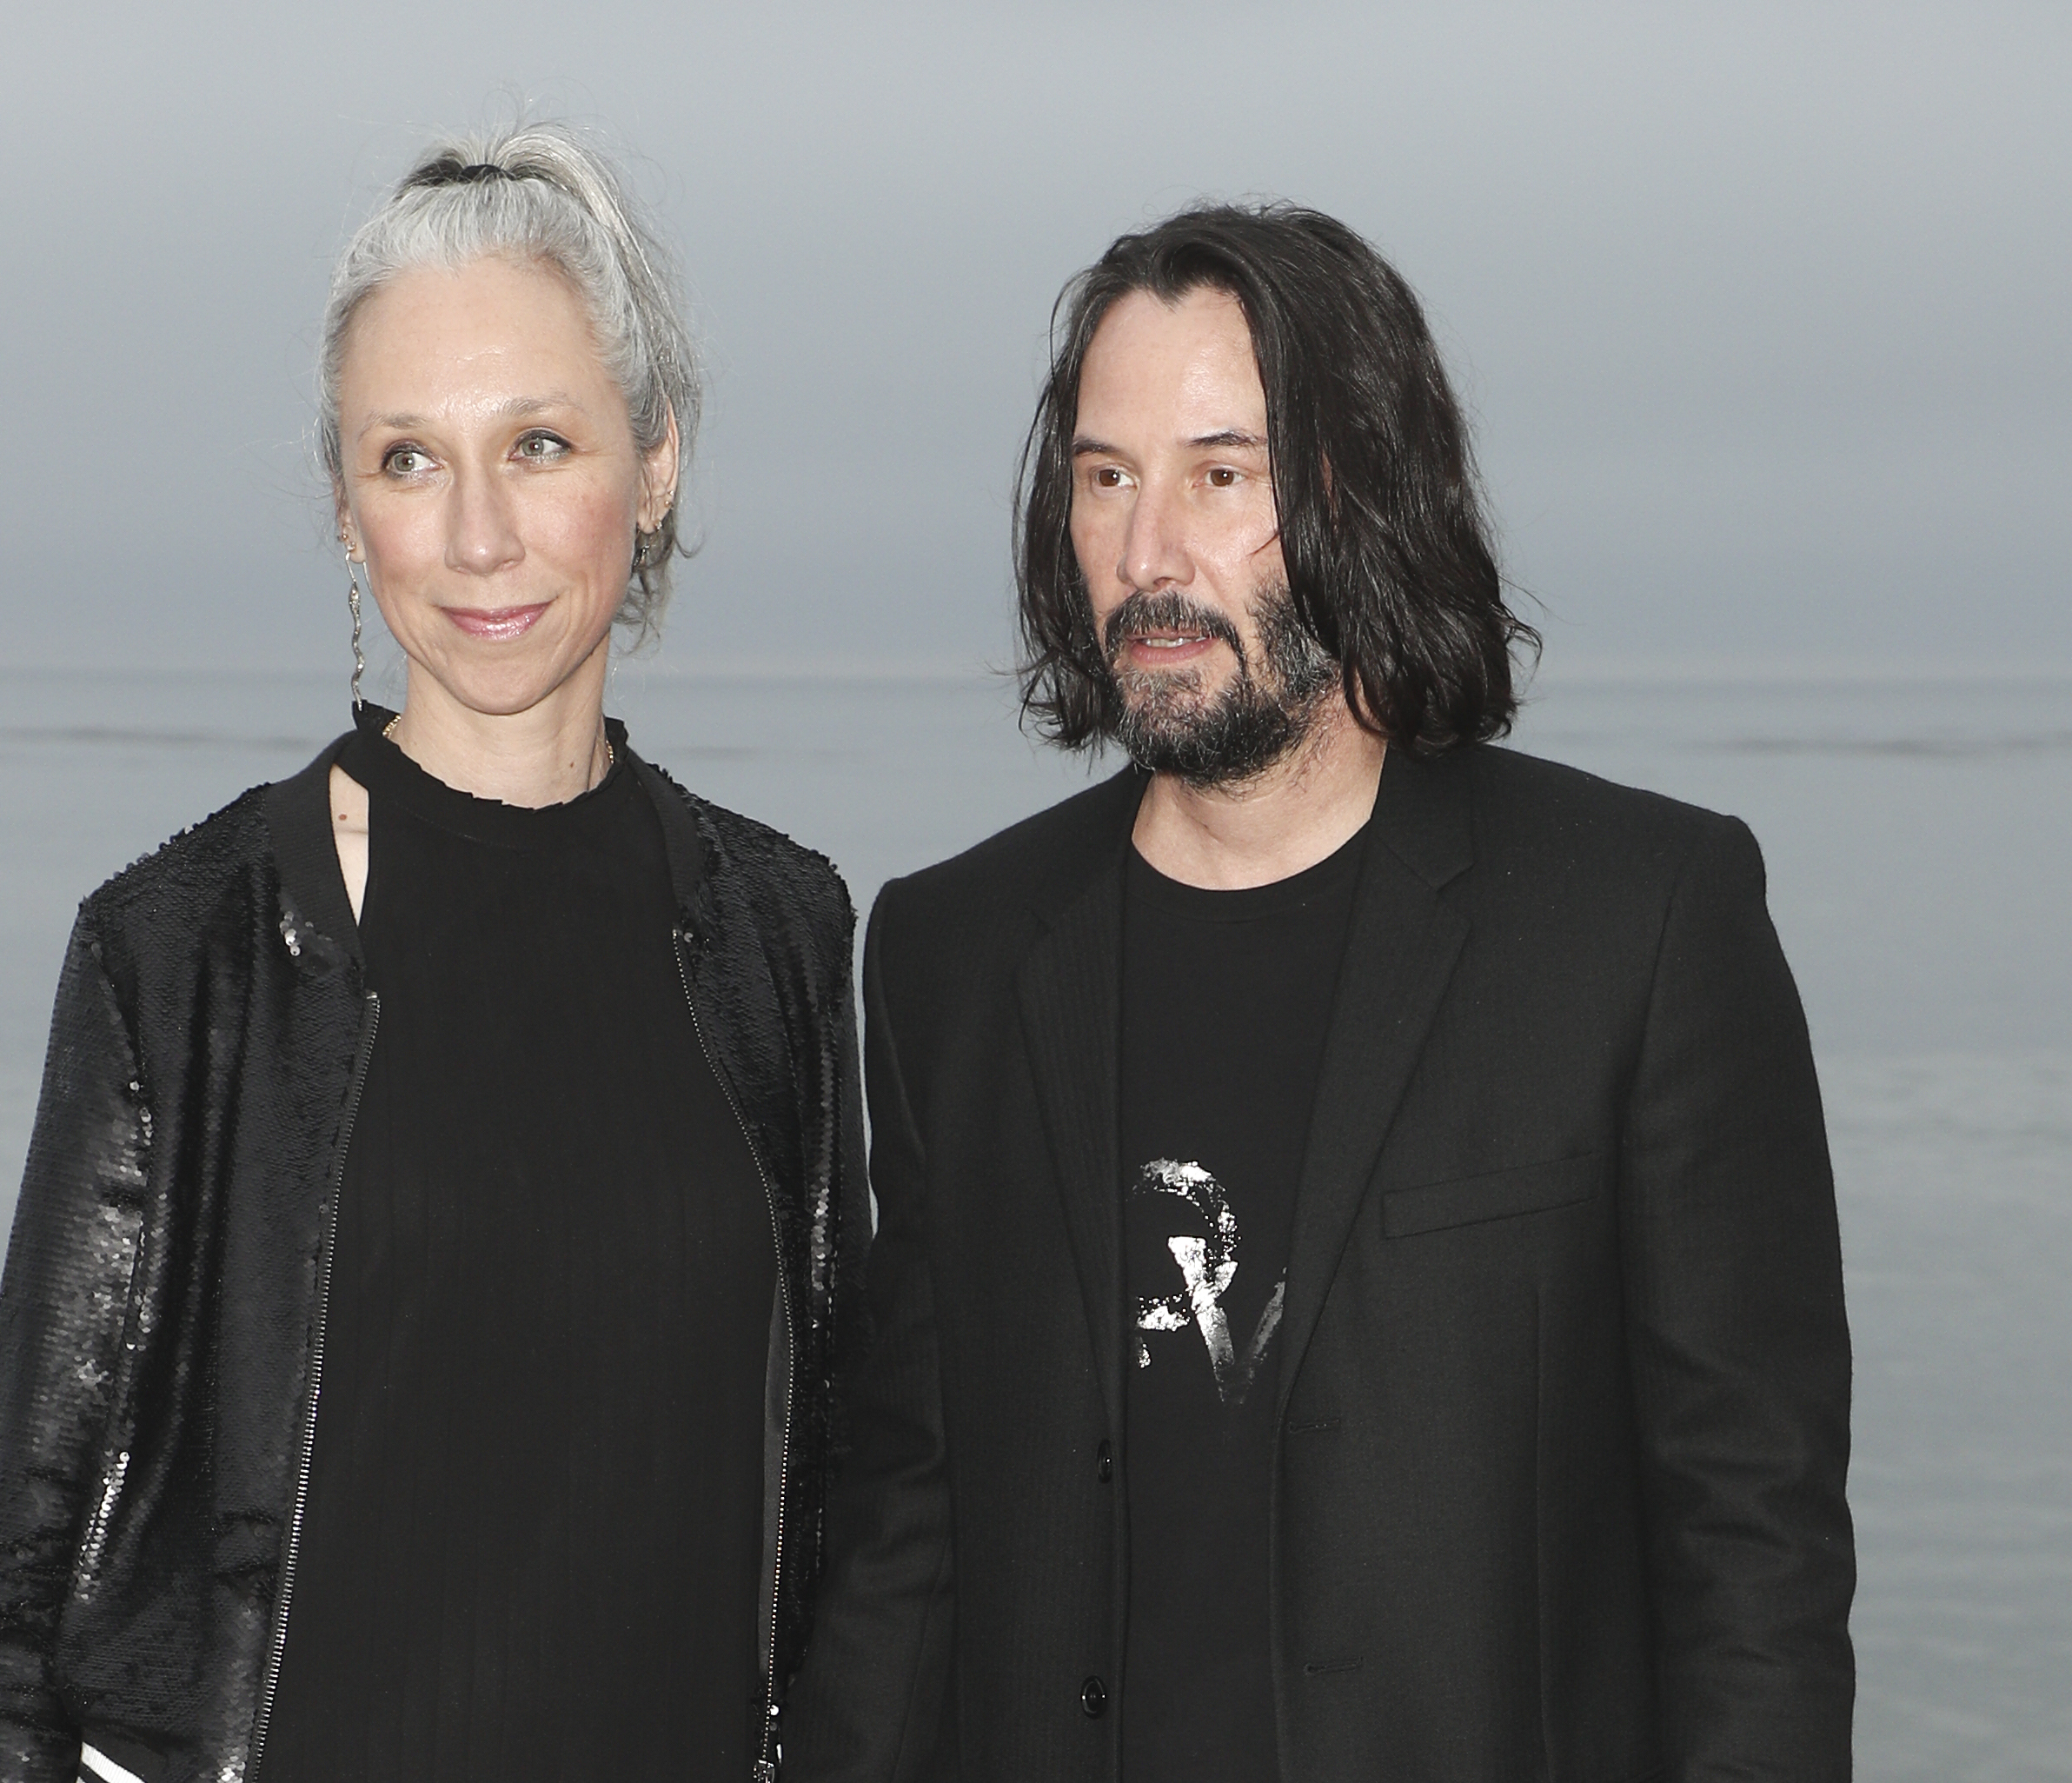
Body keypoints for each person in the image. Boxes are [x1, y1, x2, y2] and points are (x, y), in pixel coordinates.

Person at [782, 203, 1853, 1782]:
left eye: (1222, 475)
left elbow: (1753, 1553)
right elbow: (908, 1534)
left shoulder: (1641, 925)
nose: (1149, 553)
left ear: (1363, 491)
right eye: (1105, 478)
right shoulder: (954, 954)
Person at [0, 124, 865, 1783]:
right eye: (410, 460)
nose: (478, 536)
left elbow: (846, 1515)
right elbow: (27, 1587)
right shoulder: (184, 952)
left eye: (542, 443)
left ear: (654, 466)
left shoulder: (780, 934)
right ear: (347, 508)